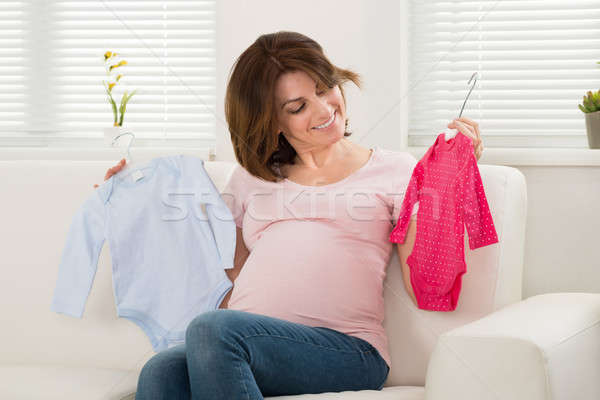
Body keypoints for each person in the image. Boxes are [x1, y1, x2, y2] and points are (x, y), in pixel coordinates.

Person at [94, 31, 484, 399]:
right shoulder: (250, 178)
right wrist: (134, 206)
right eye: (298, 107)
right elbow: (223, 276)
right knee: (161, 371)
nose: (325, 110)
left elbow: (423, 284)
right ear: (272, 121)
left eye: (324, 89)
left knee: (215, 333)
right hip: (245, 343)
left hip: (347, 351)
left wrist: (450, 177)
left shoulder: (396, 170)